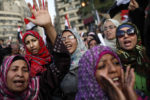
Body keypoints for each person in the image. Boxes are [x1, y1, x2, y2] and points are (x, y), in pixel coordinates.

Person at [76, 45, 142, 100]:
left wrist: (132, 95)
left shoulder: (137, 95)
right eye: (102, 66)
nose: (113, 69)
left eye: (116, 63)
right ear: (88, 77)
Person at [0, 55, 69, 100]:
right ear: (4, 73)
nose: (20, 74)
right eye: (14, 69)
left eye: (25, 70)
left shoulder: (38, 88)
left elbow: (61, 63)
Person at [116, 23, 150, 96]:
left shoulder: (147, 55)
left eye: (130, 32)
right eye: (120, 34)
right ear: (117, 40)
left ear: (137, 35)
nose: (125, 36)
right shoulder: (115, 62)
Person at [60, 29, 87, 100]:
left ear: (77, 40)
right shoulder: (59, 65)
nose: (66, 41)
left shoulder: (89, 60)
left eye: (70, 37)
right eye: (63, 39)